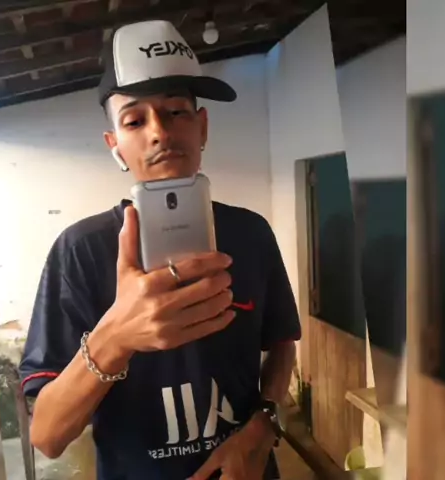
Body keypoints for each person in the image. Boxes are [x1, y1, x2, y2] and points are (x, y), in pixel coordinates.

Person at [17, 20, 301, 480]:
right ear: (115, 146)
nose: (159, 133)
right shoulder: (80, 251)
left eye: (176, 112)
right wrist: (116, 339)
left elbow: (282, 343)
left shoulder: (252, 233)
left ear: (202, 127)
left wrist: (264, 426)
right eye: (134, 120)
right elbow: (47, 436)